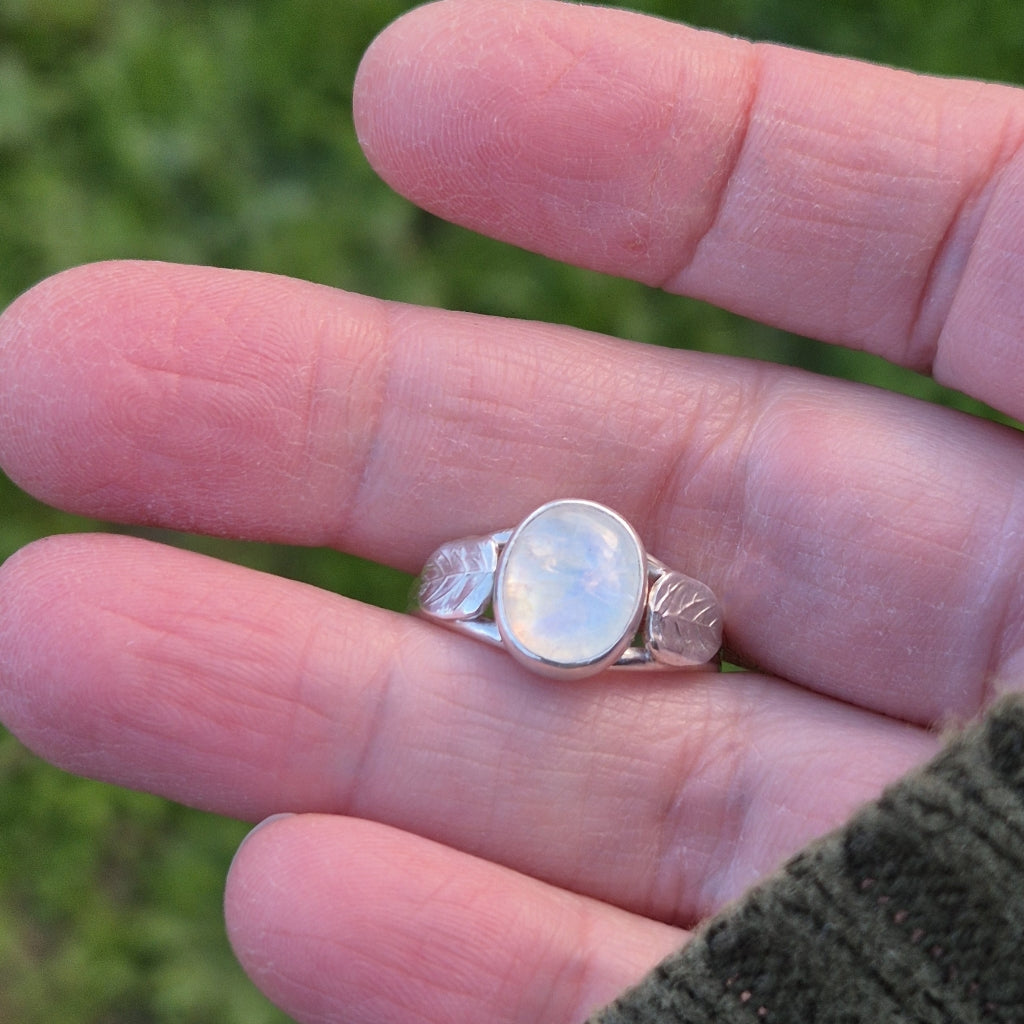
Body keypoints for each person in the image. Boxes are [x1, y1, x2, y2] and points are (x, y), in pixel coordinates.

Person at [2, 0, 1023, 1020]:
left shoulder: (673, 620)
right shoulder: (484, 579)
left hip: (602, 616)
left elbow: (690, 630)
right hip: (541, 606)